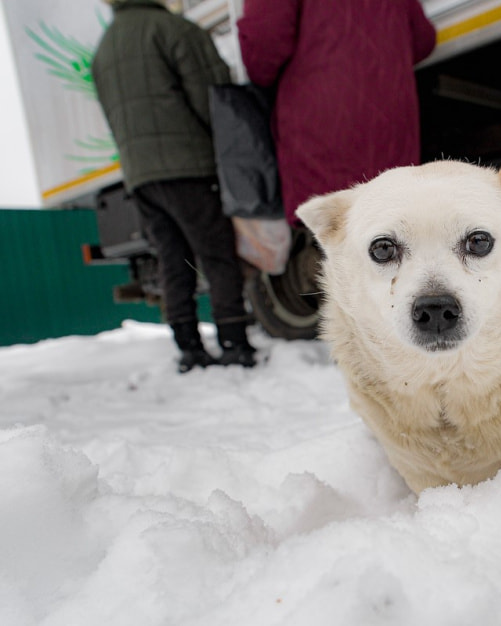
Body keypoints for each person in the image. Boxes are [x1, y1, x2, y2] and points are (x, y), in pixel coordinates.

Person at [92, 0, 256, 373]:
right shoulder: (172, 30)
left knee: (172, 259)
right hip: (189, 165)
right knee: (216, 254)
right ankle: (234, 344)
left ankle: (189, 348)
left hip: (140, 176)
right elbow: (213, 97)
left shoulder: (105, 48)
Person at [237, 0, 437, 227]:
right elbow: (423, 40)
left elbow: (262, 53)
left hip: (322, 125)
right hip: (388, 122)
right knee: (394, 225)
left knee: (330, 234)